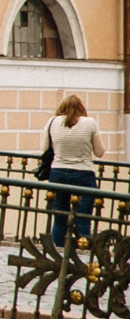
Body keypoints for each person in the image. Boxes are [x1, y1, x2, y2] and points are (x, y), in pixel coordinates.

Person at [43, 92, 106, 250]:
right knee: (83, 218)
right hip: (83, 173)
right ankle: (82, 253)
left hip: (57, 173)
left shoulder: (52, 122)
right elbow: (99, 152)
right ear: (81, 108)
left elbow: (45, 149)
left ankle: (58, 252)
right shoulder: (90, 123)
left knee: (60, 219)